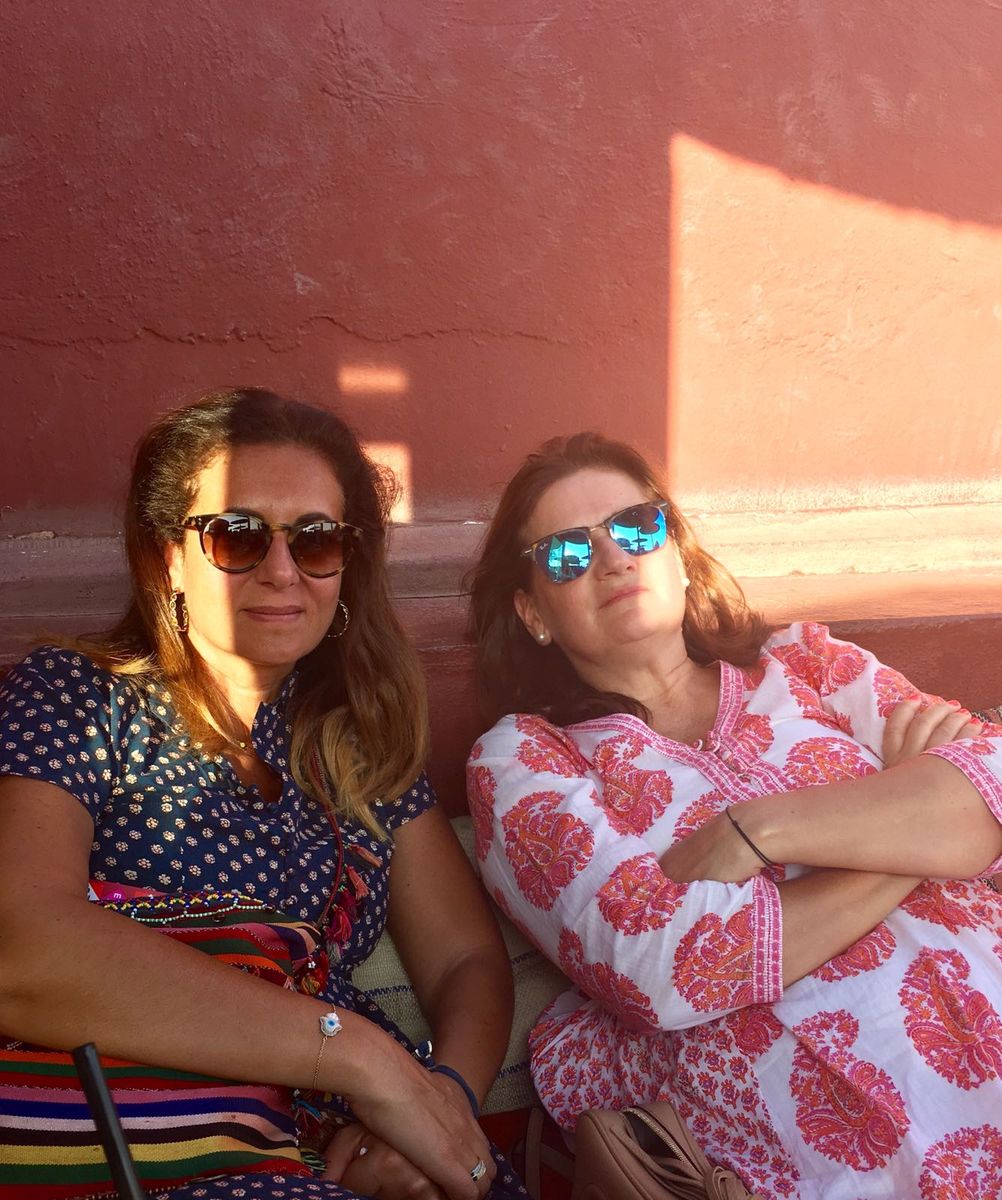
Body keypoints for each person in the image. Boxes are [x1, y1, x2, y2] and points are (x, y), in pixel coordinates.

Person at [0, 388, 527, 1200]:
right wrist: (359, 1057)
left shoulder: (353, 745)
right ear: (167, 557)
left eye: (317, 540)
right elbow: (22, 944)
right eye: (238, 536)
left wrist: (436, 1108)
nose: (282, 570)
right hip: (163, 1155)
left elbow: (465, 959)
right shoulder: (77, 700)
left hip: (342, 1152)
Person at [466, 431, 1002, 1200]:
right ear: (532, 611)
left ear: (680, 556)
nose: (612, 559)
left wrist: (757, 830)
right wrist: (918, 828)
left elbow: (993, 780)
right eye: (567, 554)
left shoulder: (808, 664)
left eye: (636, 528)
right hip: (831, 1130)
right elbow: (662, 965)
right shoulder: (524, 761)